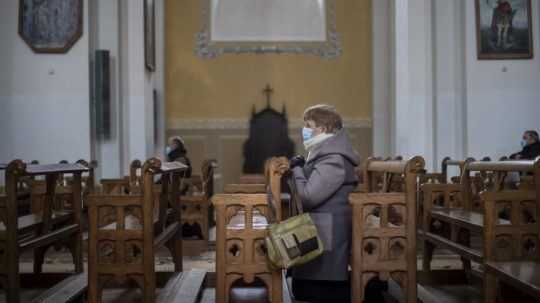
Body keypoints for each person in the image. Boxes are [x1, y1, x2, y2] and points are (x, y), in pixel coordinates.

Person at [288, 105, 360, 303]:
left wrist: (297, 170)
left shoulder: (334, 158)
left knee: (309, 292)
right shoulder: (324, 152)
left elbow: (309, 196)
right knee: (300, 288)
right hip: (321, 229)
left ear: (322, 128)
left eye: (308, 125)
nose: (305, 129)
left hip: (328, 236)